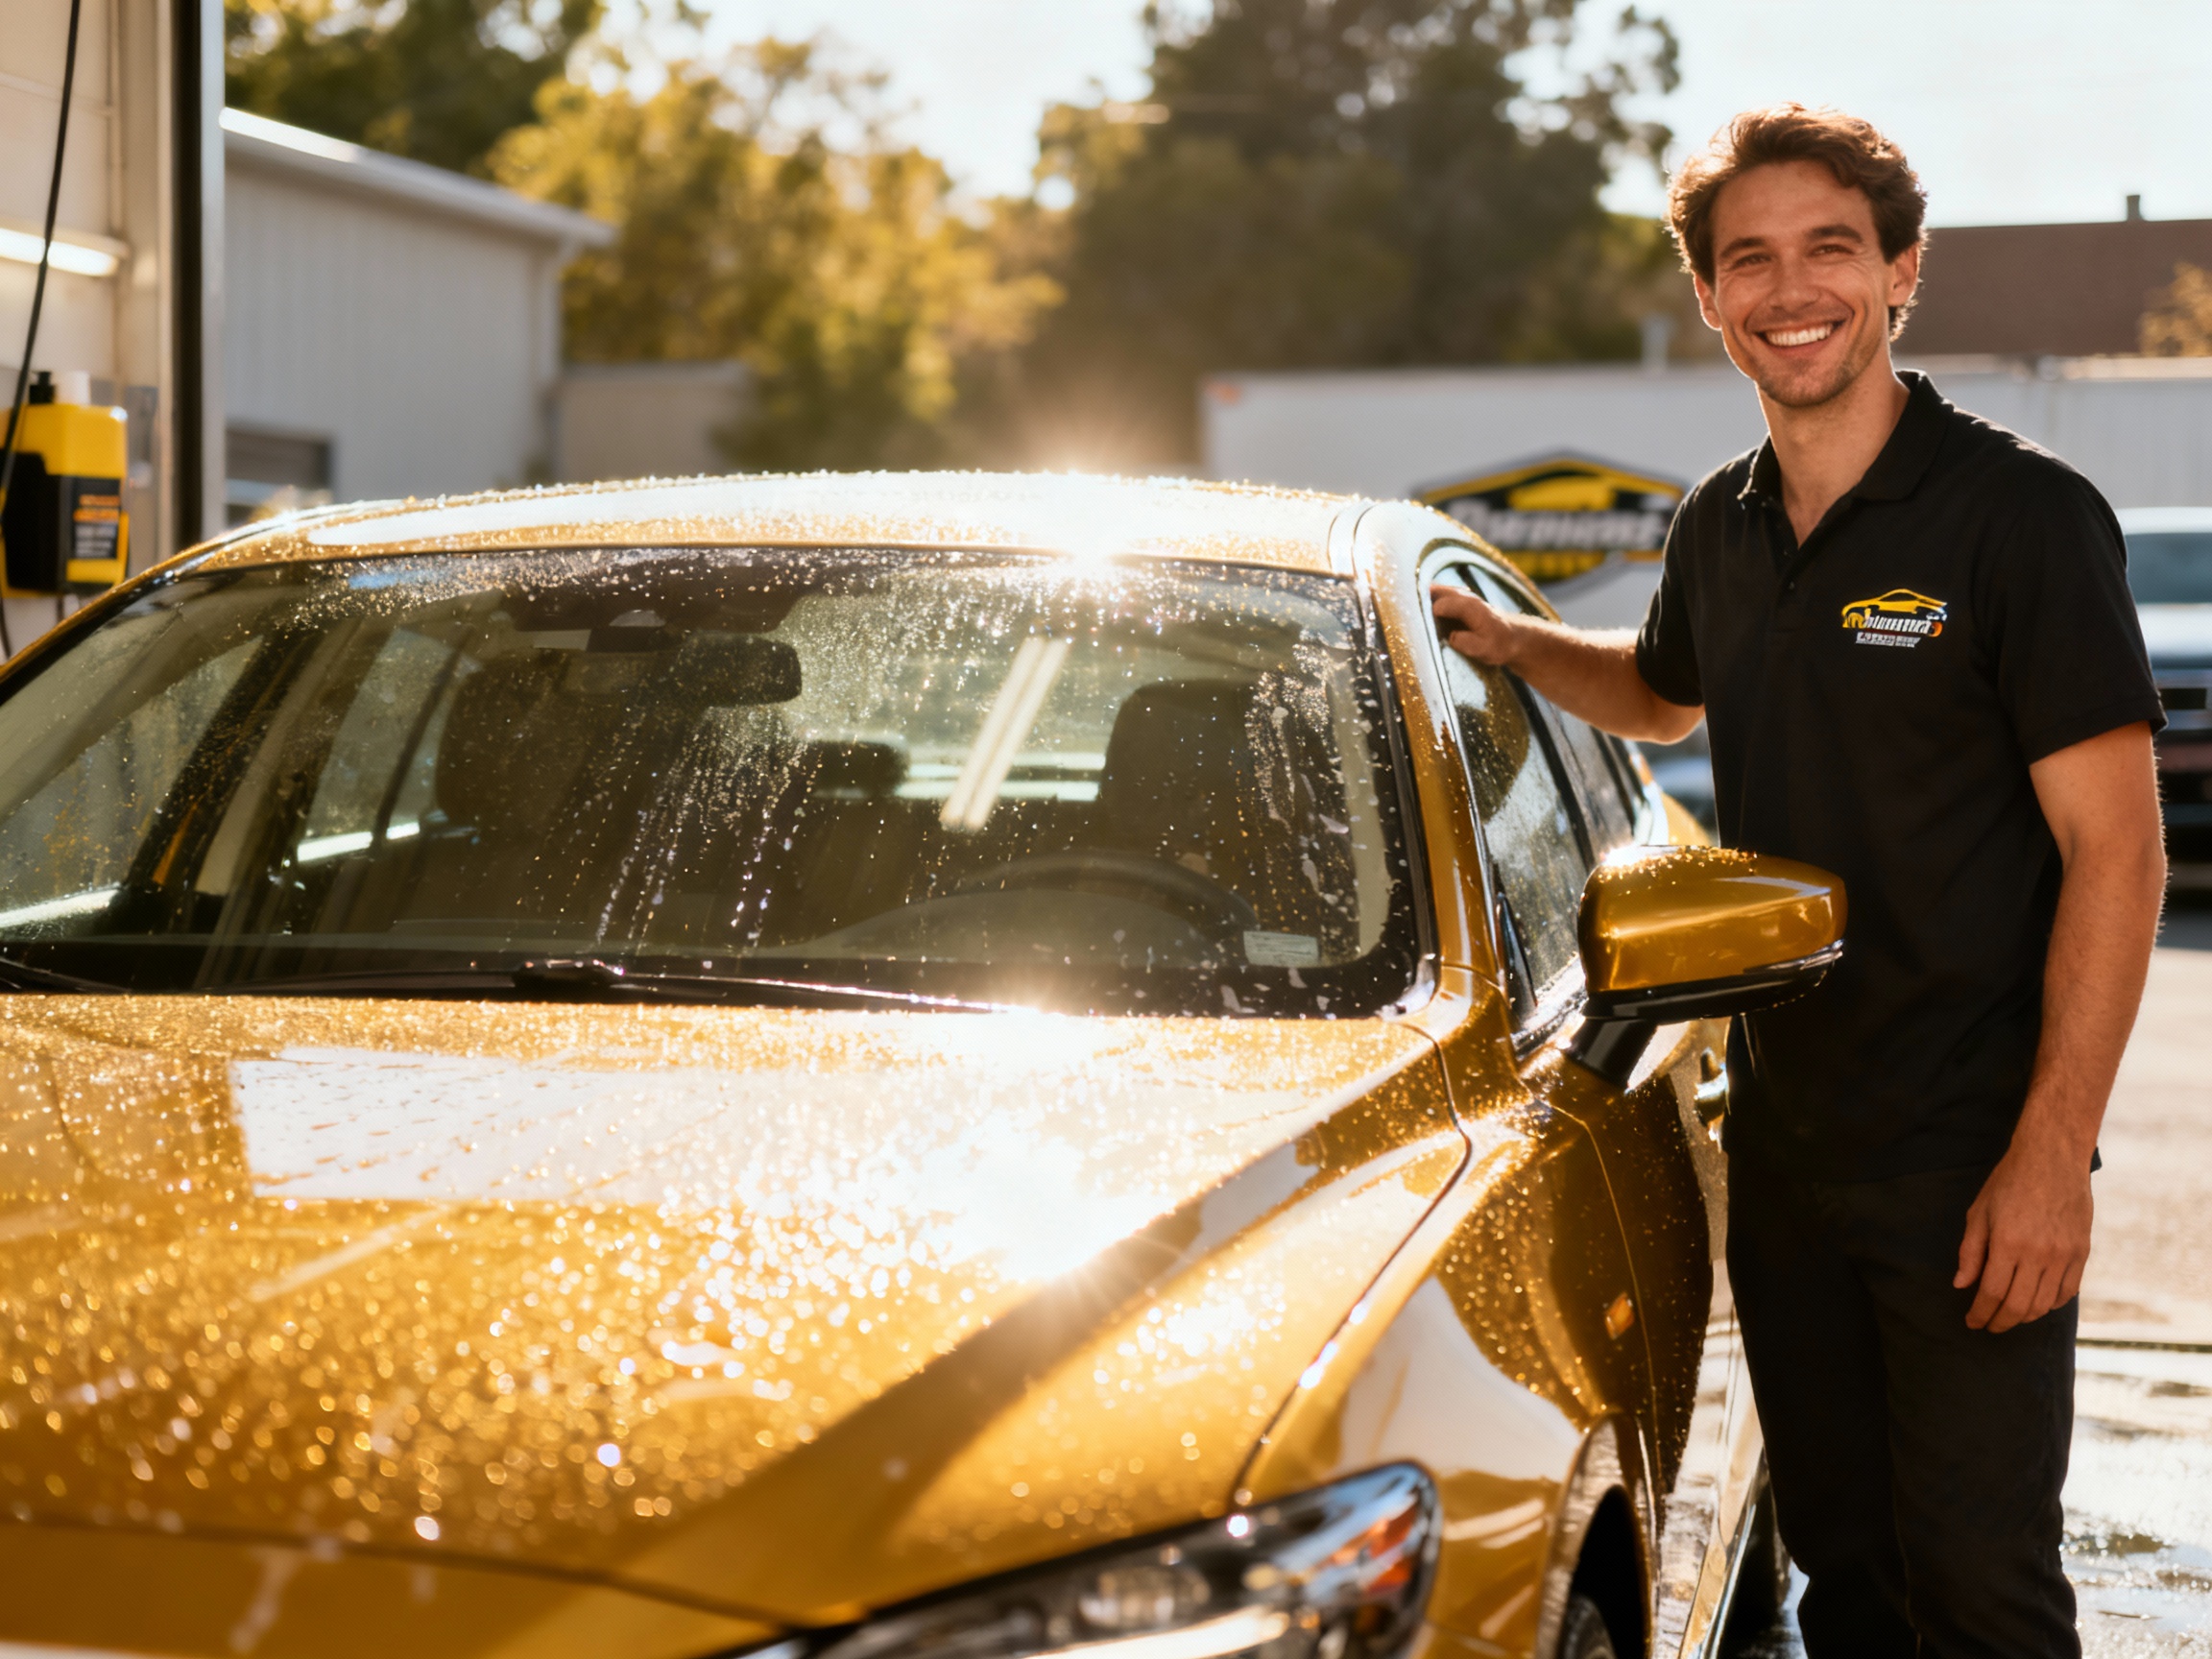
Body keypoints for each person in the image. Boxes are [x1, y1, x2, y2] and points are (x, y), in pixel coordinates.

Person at [1431, 106, 2167, 1658]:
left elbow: (2120, 852)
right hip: (1783, 1154)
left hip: (1968, 1156)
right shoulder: (1721, 521)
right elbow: (1660, 694)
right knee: (1850, 1580)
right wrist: (1514, 646)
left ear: (1902, 271)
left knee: (1983, 1592)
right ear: (1709, 296)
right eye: (1749, 259)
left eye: (1830, 248)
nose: (1790, 289)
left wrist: (2051, 1158)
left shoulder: (2021, 518)